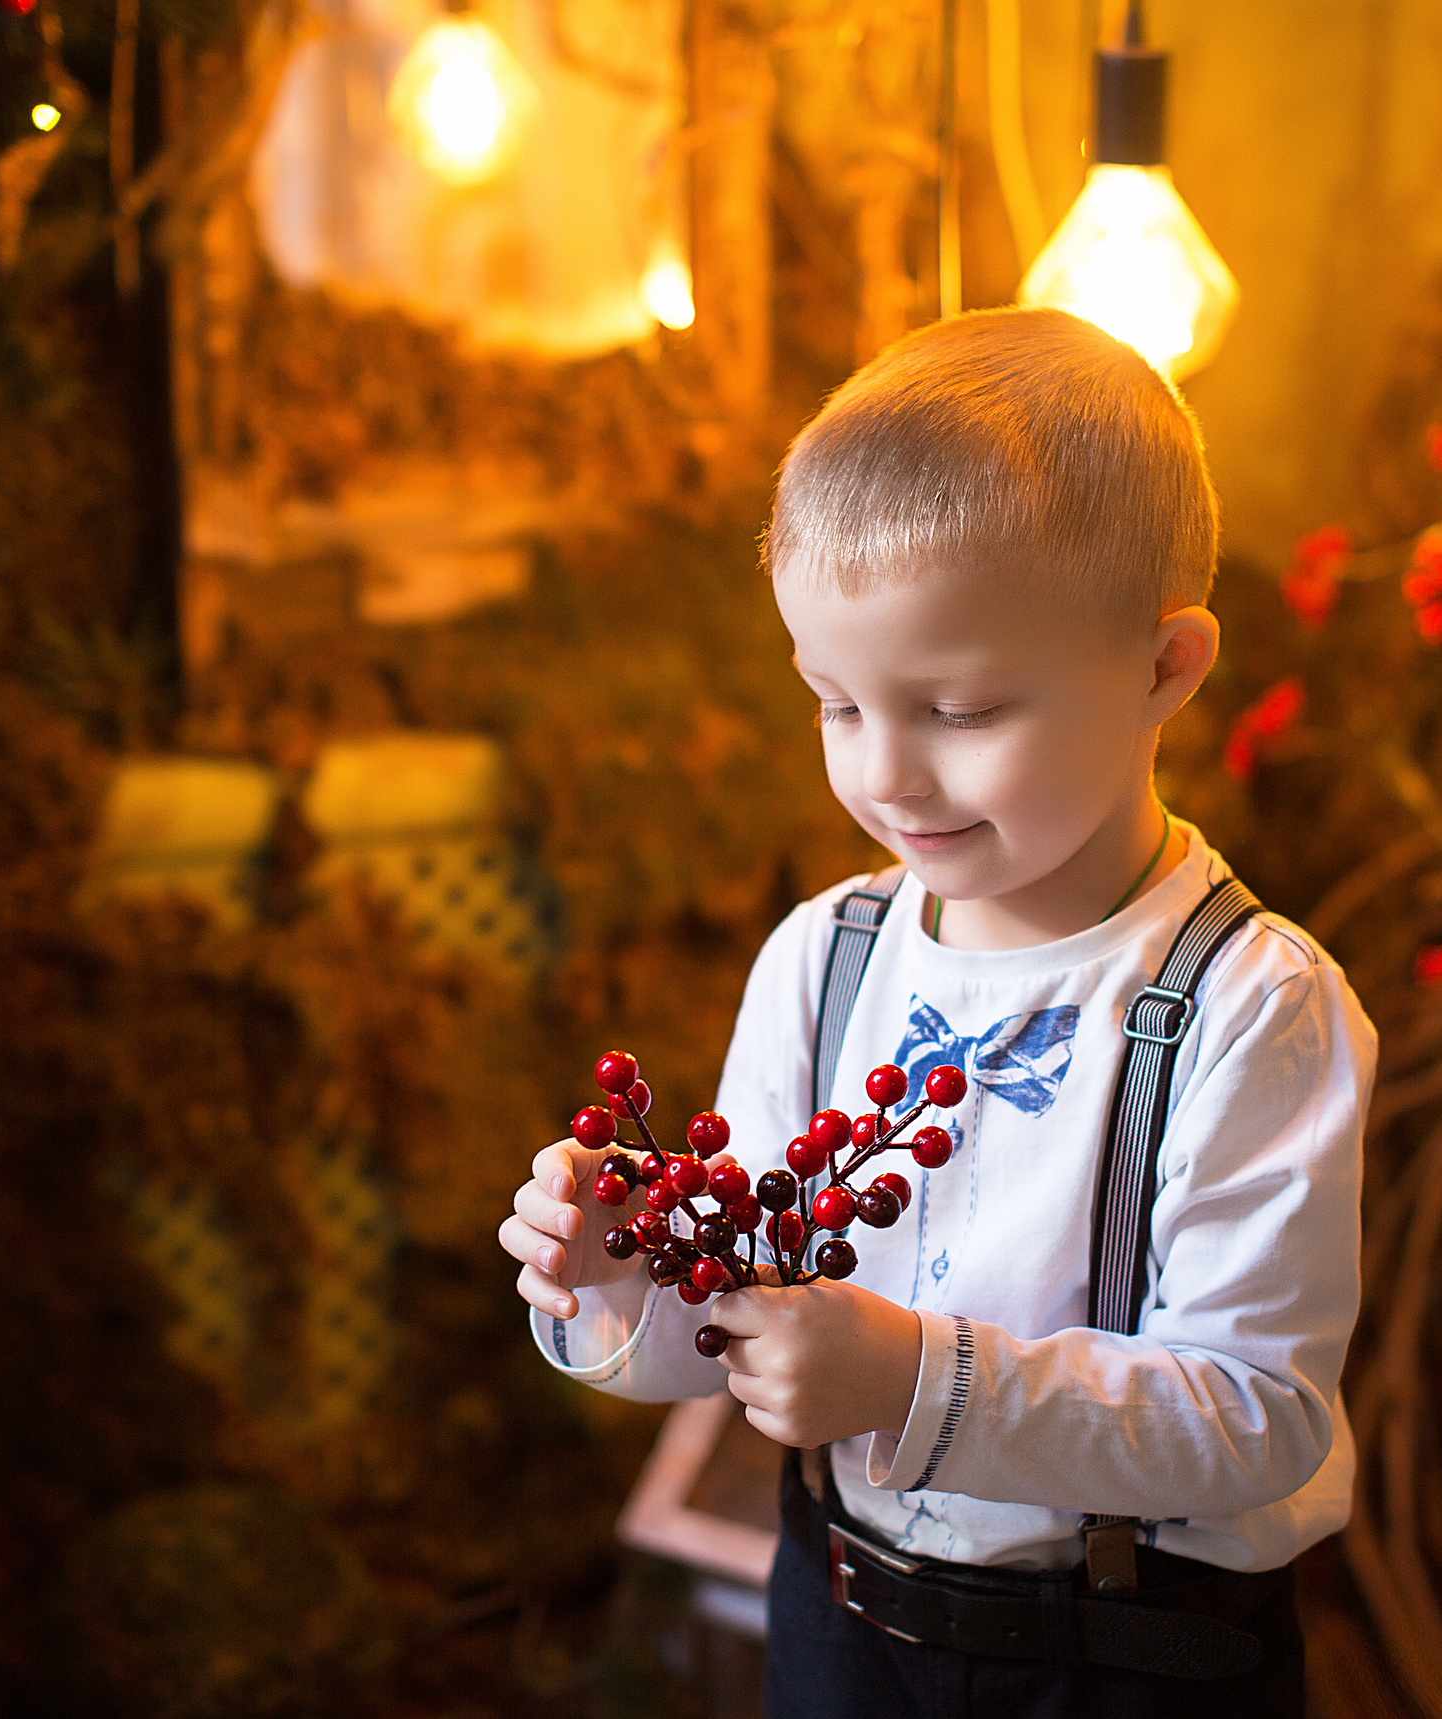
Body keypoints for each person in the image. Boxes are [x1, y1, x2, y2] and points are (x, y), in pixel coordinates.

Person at [497, 307, 1373, 1718]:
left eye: (959, 710)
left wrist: (912, 1378)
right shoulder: (825, 959)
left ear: (1164, 667)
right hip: (843, 1628)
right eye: (837, 705)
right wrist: (621, 1277)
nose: (886, 776)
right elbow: (736, 1346)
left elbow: (1256, 1419)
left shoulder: (1251, 1007)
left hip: (1127, 1659)